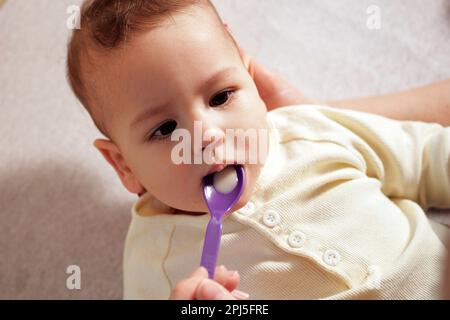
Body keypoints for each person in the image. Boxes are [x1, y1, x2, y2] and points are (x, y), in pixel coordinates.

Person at [66, 0, 450, 299]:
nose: (207, 135)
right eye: (165, 129)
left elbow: (429, 156)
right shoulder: (155, 261)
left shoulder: (309, 130)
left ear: (249, 77)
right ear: (123, 166)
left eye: (221, 96)